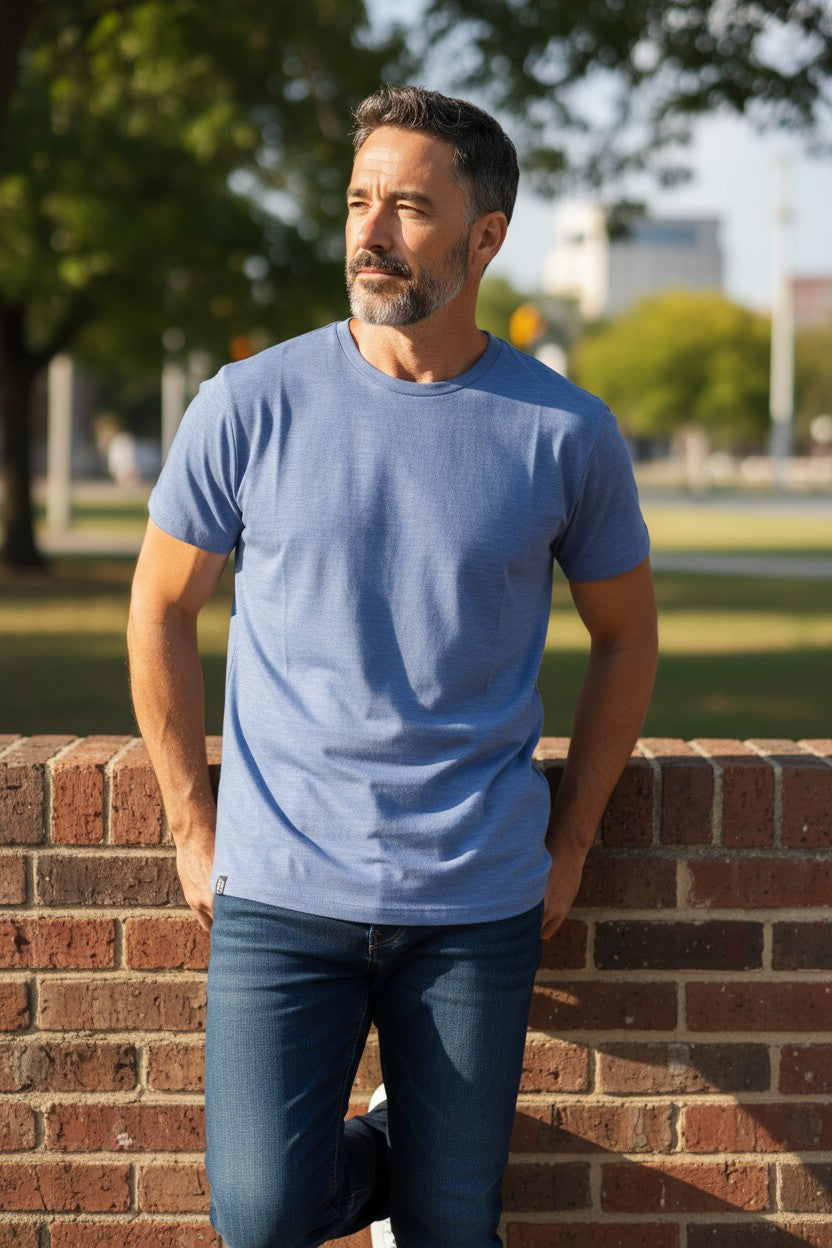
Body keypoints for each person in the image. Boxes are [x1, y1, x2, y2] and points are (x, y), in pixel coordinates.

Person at [128, 85, 658, 1248]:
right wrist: (187, 821)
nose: (370, 232)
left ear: (485, 238)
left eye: (410, 207)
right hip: (276, 889)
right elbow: (160, 609)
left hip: (476, 897)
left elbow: (626, 637)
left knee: (451, 1225)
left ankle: (414, 1165)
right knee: (261, 1216)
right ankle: (386, 1138)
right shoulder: (248, 404)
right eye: (360, 200)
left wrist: (569, 838)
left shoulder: (565, 433)